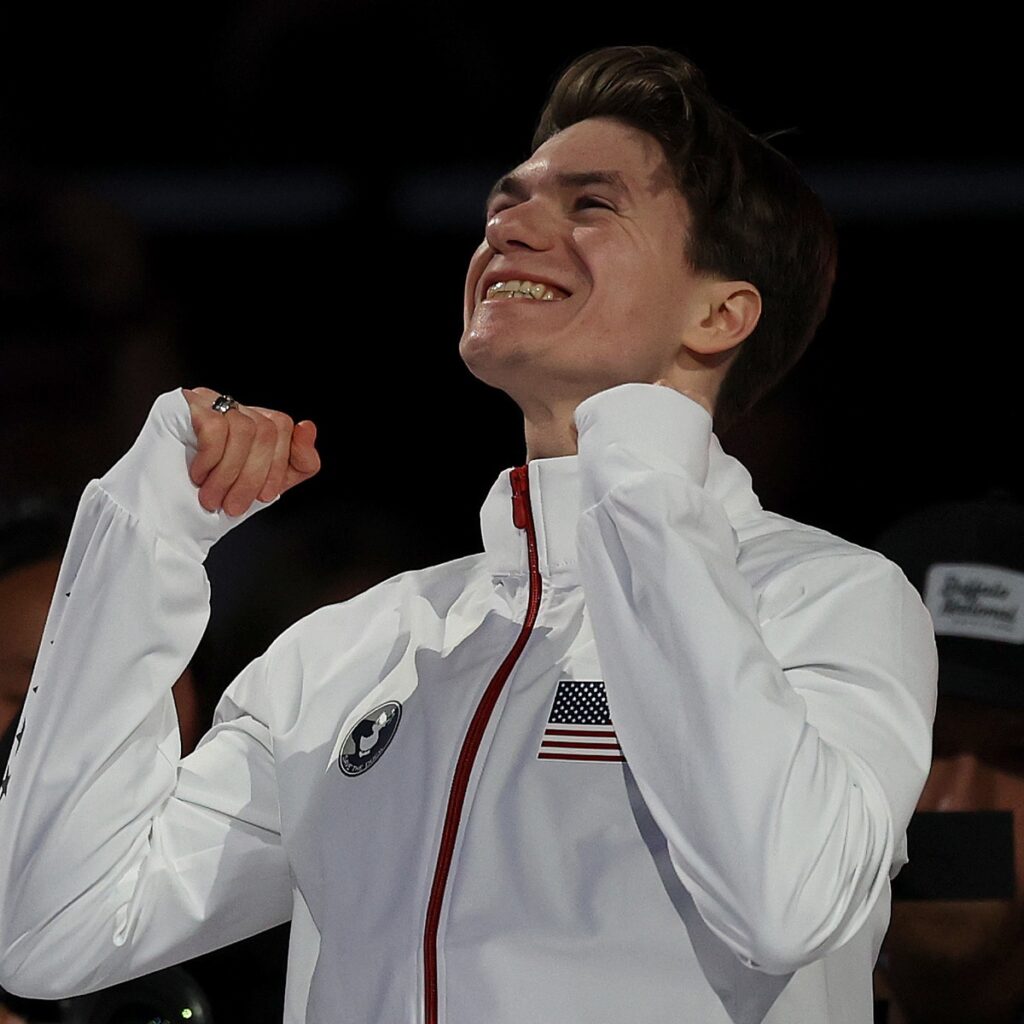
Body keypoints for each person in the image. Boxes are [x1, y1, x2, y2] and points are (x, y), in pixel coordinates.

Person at [0, 45, 937, 1024]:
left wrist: (639, 442)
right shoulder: (353, 648)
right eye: (509, 197)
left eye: (589, 205)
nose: (510, 225)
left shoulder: (832, 601)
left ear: (719, 311)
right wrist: (143, 536)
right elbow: (53, 930)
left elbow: (784, 903)